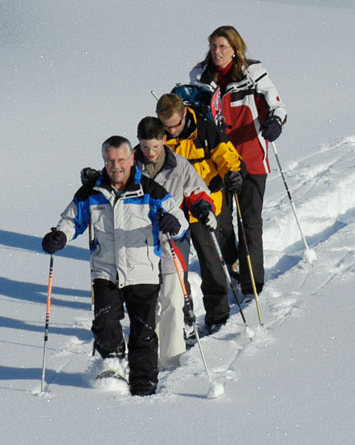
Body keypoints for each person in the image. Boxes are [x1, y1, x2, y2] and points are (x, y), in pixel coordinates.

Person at [42, 136, 187, 396]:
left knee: (143, 332)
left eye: (120, 160)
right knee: (105, 321)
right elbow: (72, 219)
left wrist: (173, 225)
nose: (115, 166)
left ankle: (144, 385)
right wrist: (59, 236)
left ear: (131, 160)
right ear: (104, 161)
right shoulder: (91, 192)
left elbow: (178, 218)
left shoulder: (150, 191)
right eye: (109, 161)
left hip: (142, 271)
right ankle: (114, 365)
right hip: (105, 271)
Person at [186, 25, 287, 297]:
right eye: (213, 46)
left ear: (235, 49)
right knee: (221, 221)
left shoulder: (253, 72)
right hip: (216, 160)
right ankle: (233, 263)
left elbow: (277, 105)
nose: (217, 52)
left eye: (223, 47)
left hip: (251, 156)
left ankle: (252, 283)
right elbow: (191, 114)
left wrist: (274, 122)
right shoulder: (199, 76)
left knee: (250, 220)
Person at [155, 91, 244, 334]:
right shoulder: (157, 135)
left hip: (208, 205)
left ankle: (218, 316)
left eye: (175, 126)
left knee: (212, 264)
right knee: (175, 270)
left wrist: (233, 173)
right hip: (176, 214)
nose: (172, 132)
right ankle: (185, 322)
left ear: (185, 114)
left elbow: (226, 154)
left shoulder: (204, 127)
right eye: (166, 127)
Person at [133, 116, 214, 366]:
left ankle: (171, 358)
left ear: (165, 140)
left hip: (172, 238)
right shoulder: (129, 164)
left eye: (155, 146)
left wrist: (202, 208)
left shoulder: (178, 165)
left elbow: (198, 191)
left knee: (172, 298)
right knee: (148, 302)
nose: (150, 153)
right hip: (139, 241)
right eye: (145, 147)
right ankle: (149, 359)